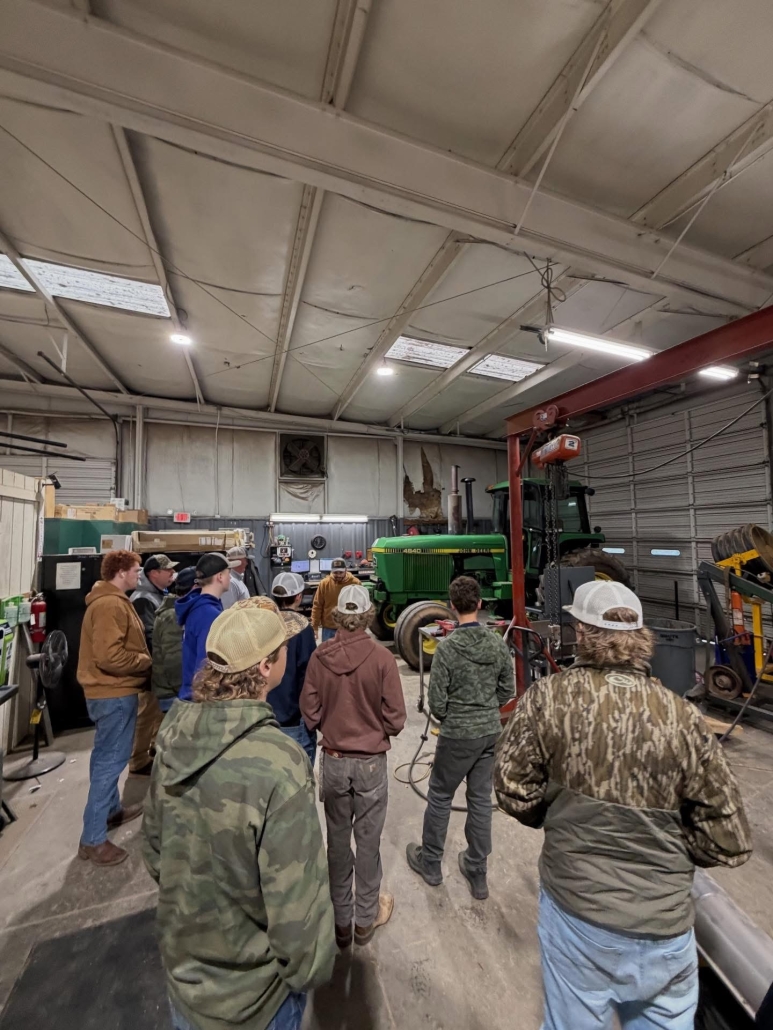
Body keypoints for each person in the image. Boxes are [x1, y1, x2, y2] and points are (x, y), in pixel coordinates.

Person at [494, 580, 753, 1030]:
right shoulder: (682, 717)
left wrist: (557, 817)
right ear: (640, 636)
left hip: (577, 913)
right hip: (665, 926)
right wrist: (665, 850)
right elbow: (730, 842)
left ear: (580, 631)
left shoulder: (549, 699)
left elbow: (513, 788)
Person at [143, 605, 336, 1030]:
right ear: (266, 667)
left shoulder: (172, 735)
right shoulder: (278, 762)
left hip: (184, 977)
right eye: (283, 649)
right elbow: (297, 905)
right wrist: (309, 975)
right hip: (255, 1000)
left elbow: (155, 852)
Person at [301, 584, 406, 949]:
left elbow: (310, 713)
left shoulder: (320, 658)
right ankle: (365, 921)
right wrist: (373, 726)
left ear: (337, 617)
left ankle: (340, 923)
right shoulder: (382, 659)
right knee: (368, 841)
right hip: (371, 764)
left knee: (338, 840)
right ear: (365, 615)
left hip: (333, 760)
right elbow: (396, 719)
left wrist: (334, 719)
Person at [406, 575, 513, 901]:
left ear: (452, 606)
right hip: (489, 734)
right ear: (480, 604)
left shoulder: (448, 647)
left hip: (457, 735)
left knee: (439, 796)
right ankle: (477, 871)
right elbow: (507, 691)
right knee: (480, 800)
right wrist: (484, 710)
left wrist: (458, 715)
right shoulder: (496, 642)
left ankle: (432, 864)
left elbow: (437, 704)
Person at [77, 549, 151, 867]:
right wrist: (144, 661)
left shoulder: (111, 600)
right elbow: (110, 656)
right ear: (121, 572)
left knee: (104, 758)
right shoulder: (109, 605)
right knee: (110, 763)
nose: (139, 575)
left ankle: (109, 811)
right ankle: (93, 839)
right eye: (136, 570)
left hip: (109, 693)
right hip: (113, 694)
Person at [130, 554, 179, 776]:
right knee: (146, 713)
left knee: (156, 712)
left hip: (156, 666)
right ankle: (137, 760)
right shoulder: (143, 599)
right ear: (153, 574)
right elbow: (149, 635)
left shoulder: (158, 594)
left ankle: (152, 748)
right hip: (149, 667)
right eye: (167, 570)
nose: (171, 573)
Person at [176, 552, 240, 701]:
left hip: (193, 693)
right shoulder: (209, 614)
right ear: (220, 577)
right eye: (228, 573)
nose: (230, 577)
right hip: (201, 699)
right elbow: (206, 663)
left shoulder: (199, 607)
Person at [268, 571, 317, 765]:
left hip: (265, 717)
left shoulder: (265, 623)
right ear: (299, 596)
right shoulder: (302, 628)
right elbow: (309, 674)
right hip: (294, 719)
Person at [151, 567, 197, 715]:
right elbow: (174, 660)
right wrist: (188, 694)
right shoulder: (173, 616)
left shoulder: (180, 612)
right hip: (174, 696)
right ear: (194, 587)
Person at [310, 558, 358, 642]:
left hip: (348, 628)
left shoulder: (355, 583)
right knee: (328, 654)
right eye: (335, 572)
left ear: (346, 570)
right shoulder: (324, 584)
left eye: (340, 572)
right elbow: (317, 606)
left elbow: (360, 607)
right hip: (328, 629)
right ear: (331, 571)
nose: (338, 575)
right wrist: (315, 627)